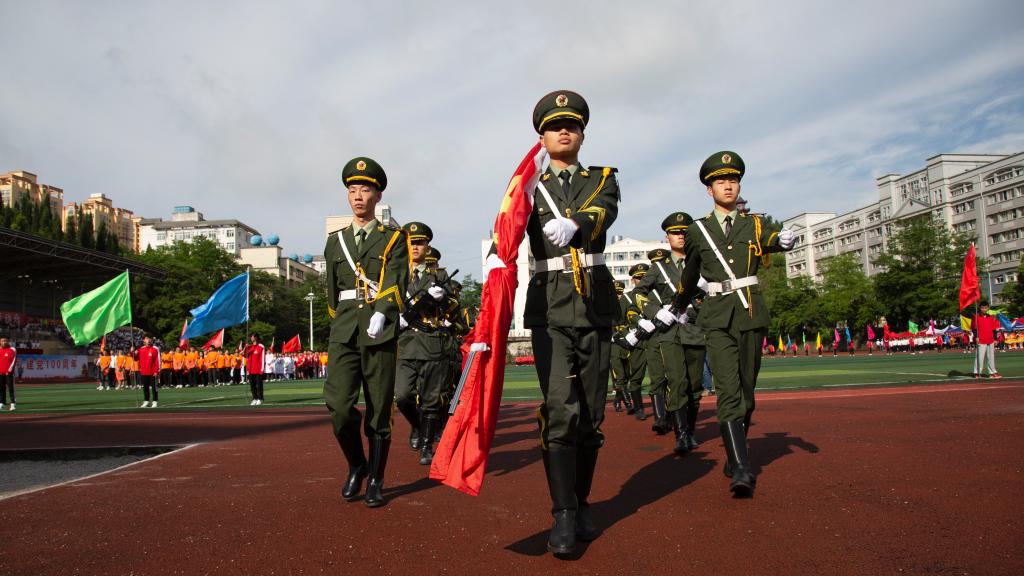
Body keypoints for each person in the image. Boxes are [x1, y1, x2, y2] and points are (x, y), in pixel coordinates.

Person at [521, 91, 620, 556]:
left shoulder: (601, 179)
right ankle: (562, 511)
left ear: (582, 133)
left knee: (591, 415)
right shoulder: (525, 187)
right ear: (541, 136)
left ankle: (581, 502)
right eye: (554, 126)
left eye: (572, 125)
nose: (564, 131)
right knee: (560, 409)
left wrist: (576, 223)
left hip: (594, 302)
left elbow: (605, 210)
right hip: (549, 305)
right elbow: (505, 230)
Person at [675, 151, 794, 497]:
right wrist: (678, 305)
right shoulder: (697, 230)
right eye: (720, 181)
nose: (728, 185)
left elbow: (771, 239)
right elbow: (690, 273)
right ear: (709, 189)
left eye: (733, 180)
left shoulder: (754, 224)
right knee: (728, 390)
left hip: (750, 312)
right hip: (716, 316)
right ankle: (741, 466)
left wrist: (783, 240)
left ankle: (735, 451)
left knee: (746, 393)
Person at [324, 156, 409, 508]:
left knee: (379, 409)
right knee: (338, 407)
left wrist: (383, 312)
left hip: (379, 331)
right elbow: (332, 293)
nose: (358, 196)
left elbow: (396, 280)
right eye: (353, 190)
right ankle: (356, 464)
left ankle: (375, 477)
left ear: (378, 195)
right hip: (344, 331)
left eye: (365, 190)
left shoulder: (394, 239)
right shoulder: (336, 241)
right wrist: (340, 323)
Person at [635, 212, 708, 454]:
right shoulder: (659, 268)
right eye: (675, 232)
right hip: (670, 332)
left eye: (685, 232)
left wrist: (698, 305)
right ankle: (681, 434)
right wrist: (656, 312)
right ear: (667, 237)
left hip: (695, 329)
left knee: (694, 386)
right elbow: (638, 293)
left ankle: (691, 430)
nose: (680, 236)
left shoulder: (703, 263)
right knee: (677, 382)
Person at [395, 221, 455, 465]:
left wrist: (443, 300)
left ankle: (427, 445)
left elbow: (454, 307)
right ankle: (418, 426)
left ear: (427, 246)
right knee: (402, 396)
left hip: (431, 343)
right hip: (405, 343)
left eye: (419, 243)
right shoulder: (395, 274)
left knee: (431, 400)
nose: (415, 247)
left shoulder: (439, 276)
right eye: (411, 243)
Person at [631, 248, 673, 435]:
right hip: (652, 338)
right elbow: (631, 310)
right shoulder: (641, 293)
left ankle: (673, 414)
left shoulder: (667, 287)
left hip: (671, 333)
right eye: (639, 278)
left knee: (674, 377)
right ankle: (660, 418)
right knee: (657, 378)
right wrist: (640, 321)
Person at [972, 300, 1001, 378]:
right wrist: (976, 337)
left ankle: (992, 372)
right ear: (980, 308)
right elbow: (974, 328)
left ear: (988, 308)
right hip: (981, 340)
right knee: (979, 357)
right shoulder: (976, 317)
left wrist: (995, 339)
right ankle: (977, 372)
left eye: (985, 308)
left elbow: (994, 329)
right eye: (982, 308)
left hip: (990, 339)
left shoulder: (991, 317)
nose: (984, 309)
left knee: (991, 357)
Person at [135, 337, 161, 408]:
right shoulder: (141, 349)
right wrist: (133, 352)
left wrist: (156, 371)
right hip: (144, 372)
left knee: (154, 388)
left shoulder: (154, 349)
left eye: (149, 340)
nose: (148, 341)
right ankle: (146, 401)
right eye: (147, 340)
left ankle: (155, 401)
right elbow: (135, 358)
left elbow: (157, 361)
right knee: (145, 388)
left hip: (152, 372)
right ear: (144, 342)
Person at [243, 334, 266, 405]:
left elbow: (263, 358)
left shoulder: (261, 346)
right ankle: (254, 398)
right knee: (252, 385)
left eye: (252, 337)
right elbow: (244, 355)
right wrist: (245, 348)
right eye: (251, 337)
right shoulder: (249, 347)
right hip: (250, 369)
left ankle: (260, 398)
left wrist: (262, 369)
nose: (251, 338)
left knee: (259, 385)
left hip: (258, 370)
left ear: (256, 338)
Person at [0, 336, 16, 411]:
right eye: (2, 341)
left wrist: (9, 371)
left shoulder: (12, 349)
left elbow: (13, 361)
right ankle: (2, 403)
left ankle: (13, 404)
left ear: (8, 341)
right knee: (1, 389)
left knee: (11, 389)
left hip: (8, 373)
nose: (4, 342)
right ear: (0, 342)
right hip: (0, 373)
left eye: (5, 341)